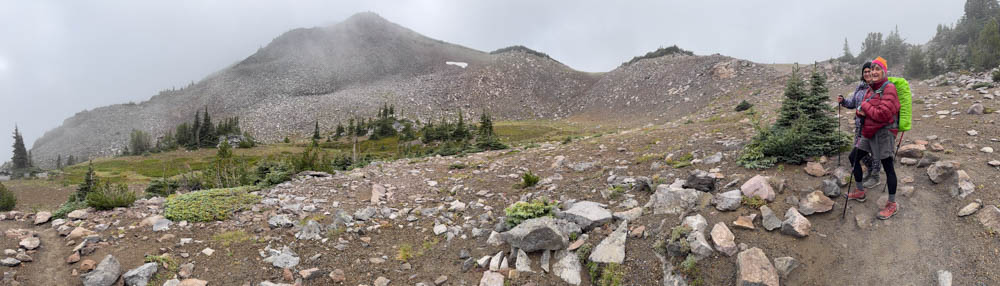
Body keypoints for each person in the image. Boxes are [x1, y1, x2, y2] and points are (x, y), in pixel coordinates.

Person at [845, 57, 900, 220]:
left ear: (884, 71)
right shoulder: (871, 88)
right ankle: (860, 191)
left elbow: (883, 114)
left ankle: (892, 204)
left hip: (884, 133)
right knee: (853, 157)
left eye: (877, 69)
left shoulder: (889, 88)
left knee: (888, 167)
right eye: (872, 69)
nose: (874, 72)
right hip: (869, 131)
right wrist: (859, 111)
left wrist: (865, 108)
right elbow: (863, 108)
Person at [838, 62, 881, 189]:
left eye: (869, 71)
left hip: (871, 126)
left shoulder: (876, 87)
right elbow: (853, 103)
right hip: (859, 125)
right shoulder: (860, 87)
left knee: (873, 151)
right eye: (865, 72)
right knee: (857, 152)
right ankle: (870, 169)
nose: (867, 73)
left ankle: (875, 176)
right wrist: (844, 101)